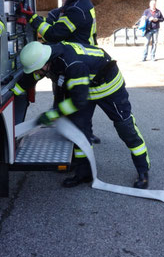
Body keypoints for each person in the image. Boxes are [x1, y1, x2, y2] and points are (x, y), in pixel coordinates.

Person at [17, 41, 150, 189]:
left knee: (125, 127)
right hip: (85, 89)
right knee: (79, 129)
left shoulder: (73, 65)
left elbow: (78, 100)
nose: (38, 74)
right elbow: (32, 77)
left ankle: (143, 171)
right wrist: (13, 92)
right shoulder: (48, 55)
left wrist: (54, 113)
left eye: (38, 70)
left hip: (109, 87)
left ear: (44, 63)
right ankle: (84, 172)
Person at [17, 0, 100, 144]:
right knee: (66, 95)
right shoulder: (76, 4)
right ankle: (78, 131)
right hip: (79, 55)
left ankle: (81, 136)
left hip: (76, 59)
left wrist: (33, 19)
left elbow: (55, 34)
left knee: (76, 100)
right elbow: (59, 19)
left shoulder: (78, 9)